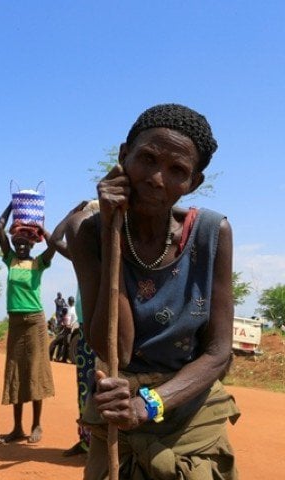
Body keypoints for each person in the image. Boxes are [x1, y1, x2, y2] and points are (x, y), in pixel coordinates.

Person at [69, 104, 239, 478]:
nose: (157, 178)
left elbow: (217, 352)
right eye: (147, 159)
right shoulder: (88, 232)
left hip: (190, 414)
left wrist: (148, 404)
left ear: (194, 183)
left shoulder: (212, 234)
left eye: (177, 170)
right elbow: (117, 349)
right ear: (123, 156)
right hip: (117, 408)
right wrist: (113, 236)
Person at [0, 202, 56, 444]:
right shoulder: (9, 259)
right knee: (16, 373)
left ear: (32, 244)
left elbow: (54, 245)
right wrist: (12, 205)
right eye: (17, 243)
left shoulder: (38, 263)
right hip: (15, 323)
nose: (20, 247)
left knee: (35, 371)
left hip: (35, 323)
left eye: (25, 243)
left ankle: (36, 425)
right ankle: (17, 428)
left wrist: (41, 227)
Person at [50, 199, 100, 457]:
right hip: (85, 334)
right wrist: (74, 212)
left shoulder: (116, 254)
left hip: (106, 335)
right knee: (84, 389)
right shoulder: (83, 256)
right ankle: (85, 441)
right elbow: (55, 240)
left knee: (104, 390)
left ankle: (105, 447)